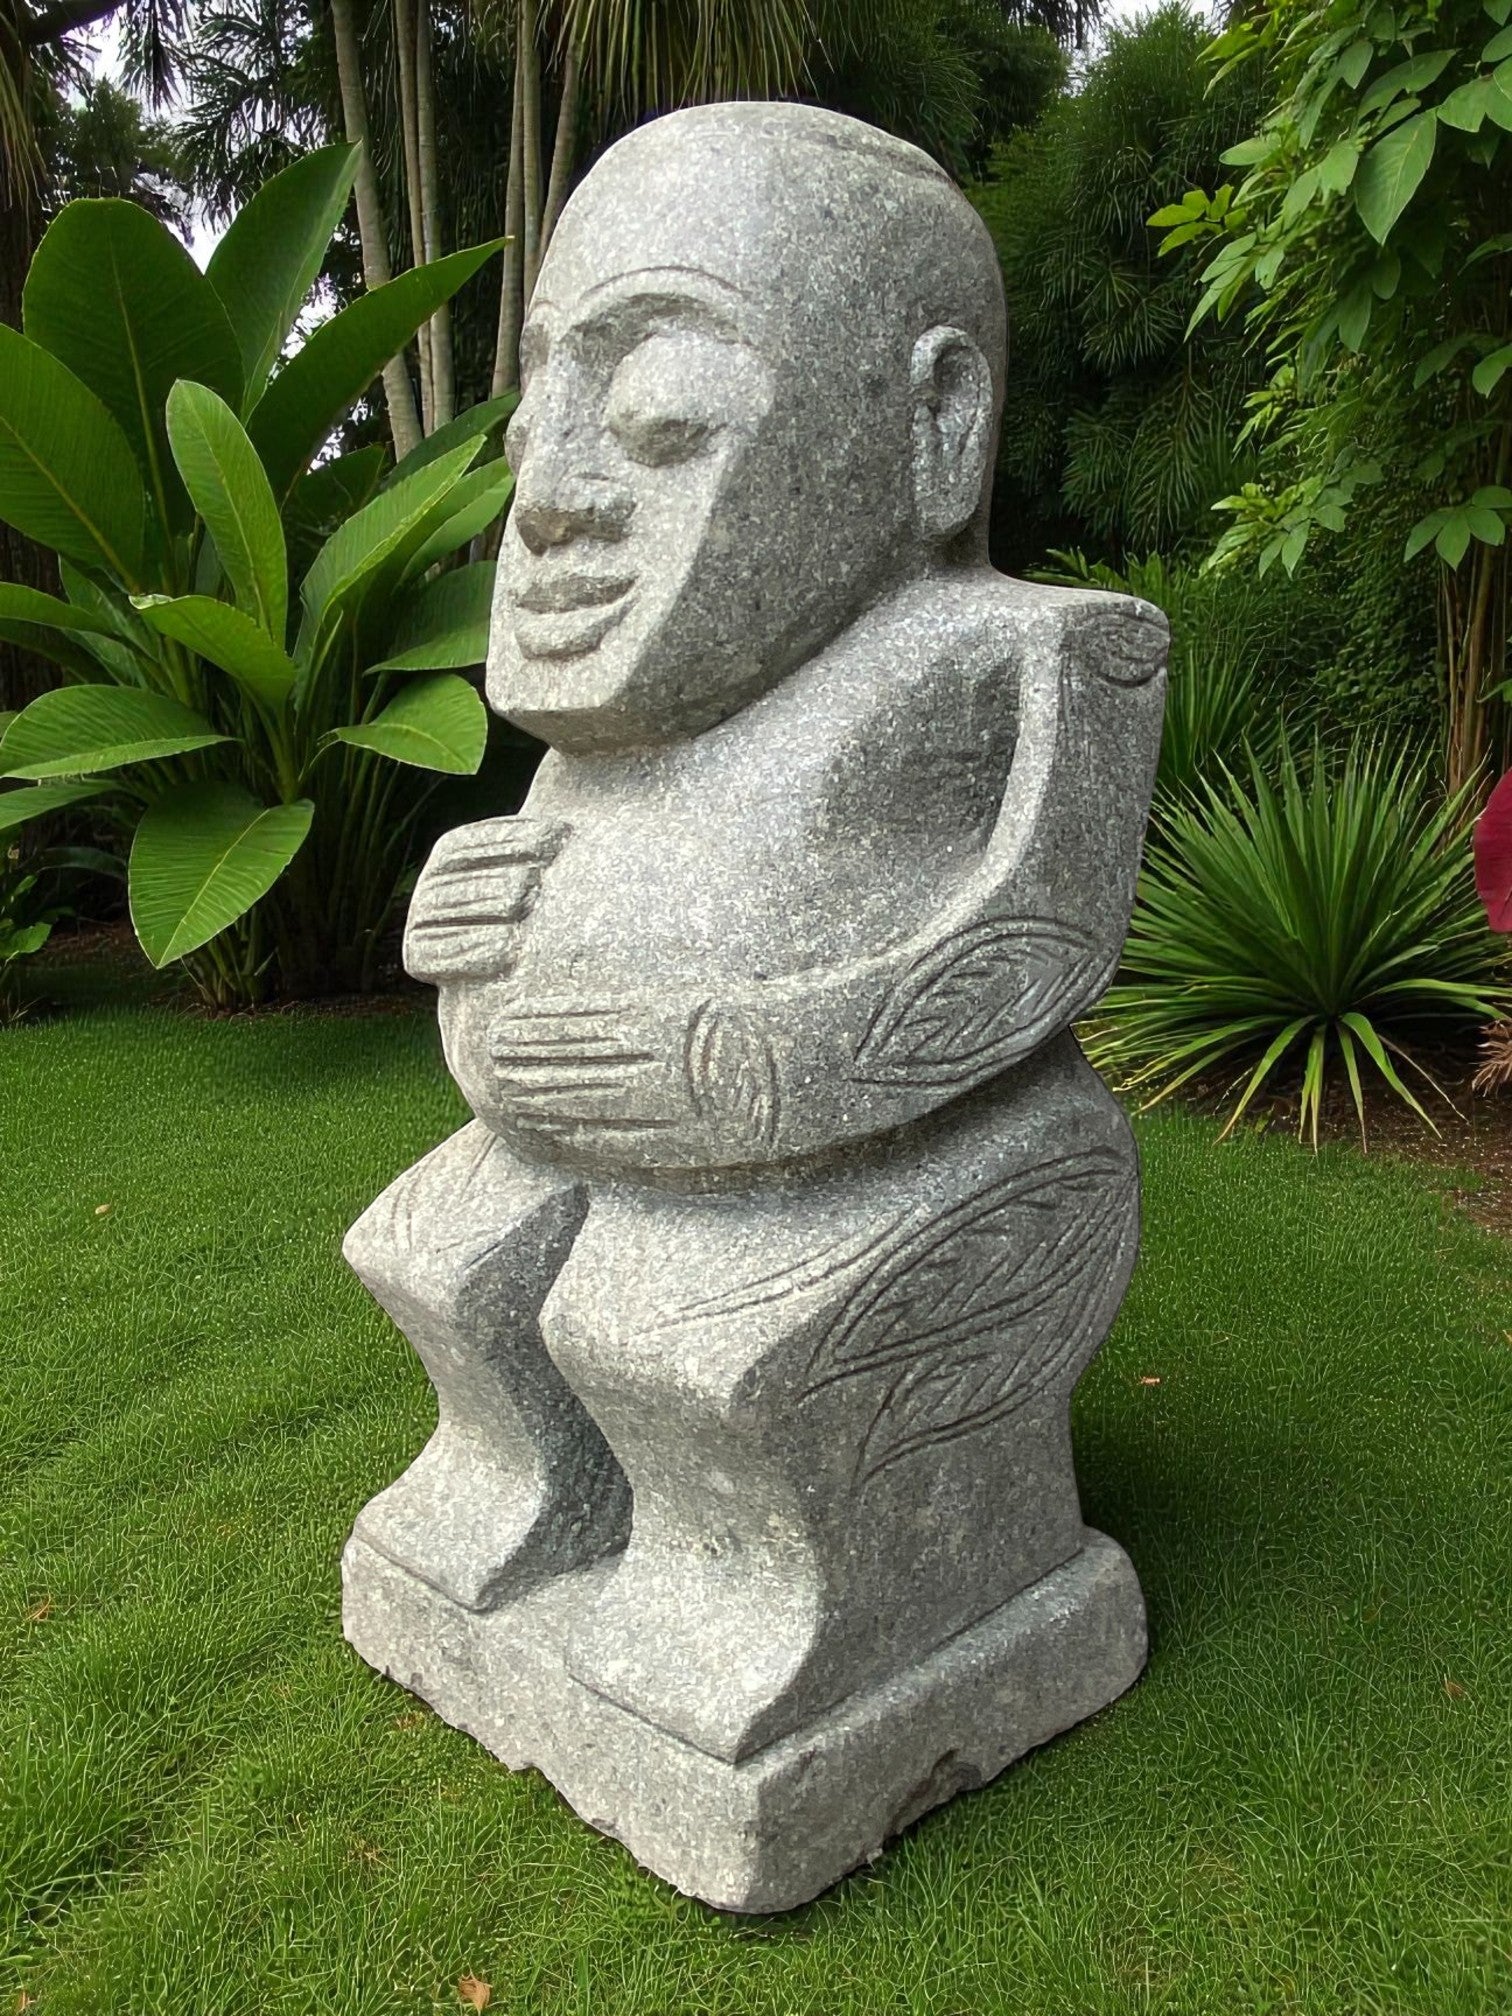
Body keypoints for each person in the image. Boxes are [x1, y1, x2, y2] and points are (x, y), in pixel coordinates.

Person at [345, 102, 1166, 1768]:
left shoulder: (1034, 655)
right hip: (590, 1147)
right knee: (446, 1252)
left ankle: (772, 1596)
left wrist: (741, 1067)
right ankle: (524, 1500)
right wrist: (477, 940)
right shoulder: (618, 729)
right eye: (544, 402)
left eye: (659, 410)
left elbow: (1045, 937)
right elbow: (535, 933)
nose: (550, 494)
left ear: (937, 423)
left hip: (923, 1167)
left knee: (677, 1332)